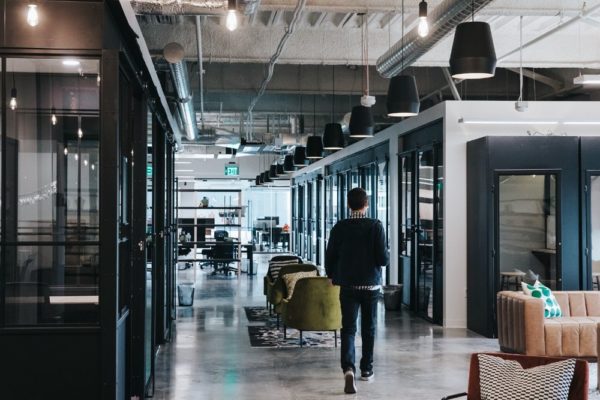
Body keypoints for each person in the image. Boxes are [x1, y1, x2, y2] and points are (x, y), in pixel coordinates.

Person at [325, 187, 389, 394]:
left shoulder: (340, 227)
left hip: (348, 286)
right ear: (366, 204)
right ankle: (367, 369)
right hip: (371, 286)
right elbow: (383, 260)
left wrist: (331, 275)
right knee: (368, 329)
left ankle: (348, 369)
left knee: (349, 329)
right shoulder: (376, 226)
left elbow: (330, 255)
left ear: (348, 205)